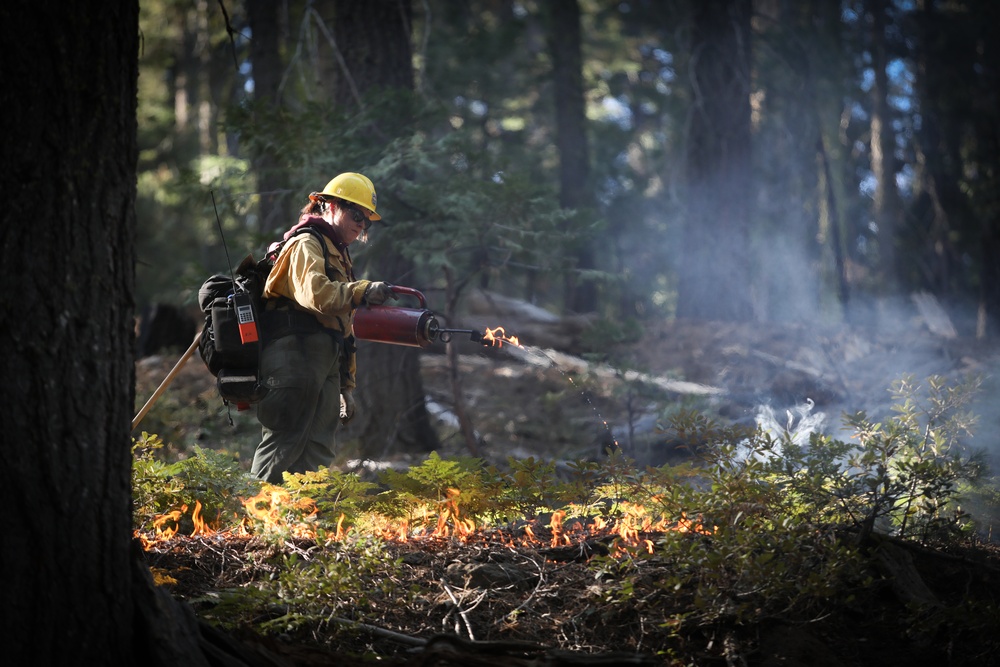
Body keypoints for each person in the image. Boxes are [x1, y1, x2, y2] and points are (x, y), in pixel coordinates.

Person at [250, 172, 397, 484]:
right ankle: (251, 519)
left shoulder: (337, 253)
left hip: (323, 359)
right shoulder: (306, 243)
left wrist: (346, 385)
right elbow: (317, 296)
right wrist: (362, 291)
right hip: (294, 353)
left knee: (317, 449)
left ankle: (299, 521)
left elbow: (342, 328)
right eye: (355, 214)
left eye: (367, 221)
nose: (361, 225)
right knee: (285, 442)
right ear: (329, 206)